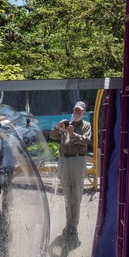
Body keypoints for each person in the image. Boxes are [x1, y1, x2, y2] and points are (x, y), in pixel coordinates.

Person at [49, 101, 92, 243]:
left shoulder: (86, 125)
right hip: (64, 161)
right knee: (67, 194)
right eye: (75, 110)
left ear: (84, 112)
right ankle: (68, 224)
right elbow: (53, 136)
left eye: (79, 111)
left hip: (77, 161)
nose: (77, 113)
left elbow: (86, 140)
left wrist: (73, 134)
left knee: (77, 194)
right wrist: (58, 127)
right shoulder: (66, 124)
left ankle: (74, 226)